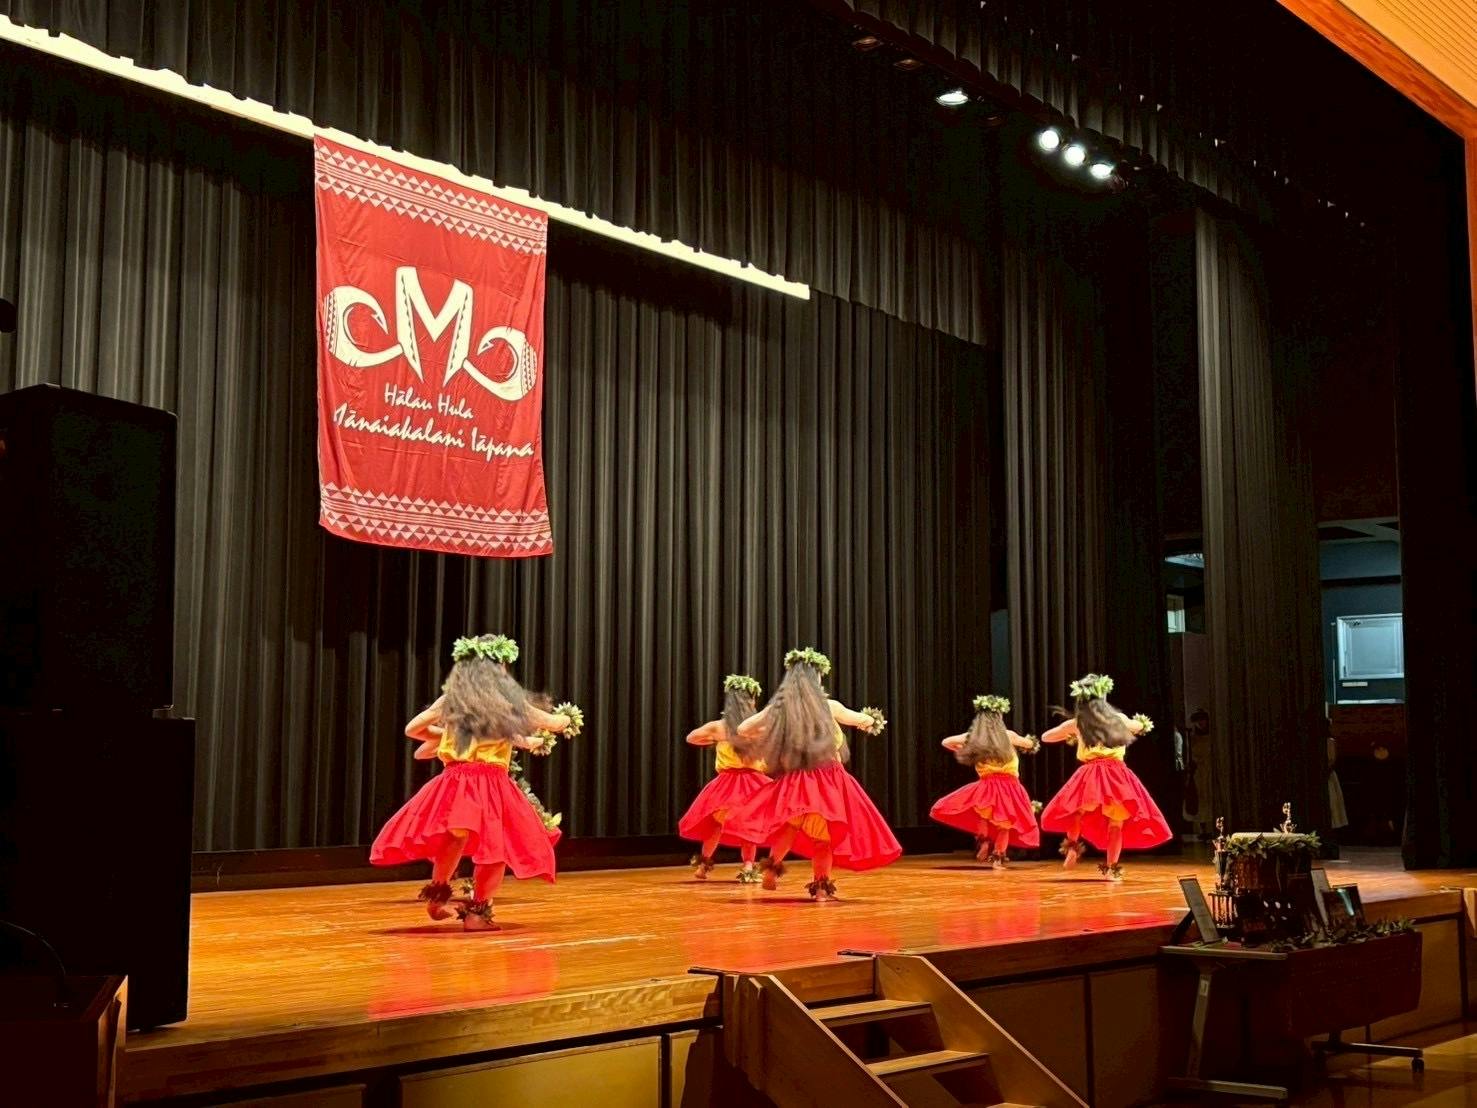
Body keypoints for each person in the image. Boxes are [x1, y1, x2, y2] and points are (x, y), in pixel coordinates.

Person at [369, 634, 580, 930]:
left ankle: (437, 896)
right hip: (490, 783)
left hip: (454, 781)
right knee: (496, 848)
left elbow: (412, 729)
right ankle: (477, 914)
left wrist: (447, 735)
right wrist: (567, 719)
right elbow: (552, 723)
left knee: (454, 839)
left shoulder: (452, 700)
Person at [723, 648, 901, 900]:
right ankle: (820, 888)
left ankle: (772, 868)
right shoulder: (829, 706)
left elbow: (743, 728)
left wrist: (771, 730)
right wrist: (871, 721)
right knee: (822, 839)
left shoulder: (780, 709)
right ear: (816, 679)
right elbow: (861, 719)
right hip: (828, 780)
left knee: (790, 826)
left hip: (797, 780)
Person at [1039, 673, 1172, 881]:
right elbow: (1141, 726)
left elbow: (1046, 737)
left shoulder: (1079, 722)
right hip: (1116, 775)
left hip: (1090, 774)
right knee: (1115, 824)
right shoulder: (1118, 719)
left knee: (1076, 812)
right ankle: (1111, 869)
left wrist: (1072, 732)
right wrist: (1136, 724)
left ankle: (1072, 847)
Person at [678, 674, 772, 882]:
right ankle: (748, 867)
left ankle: (703, 866)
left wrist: (712, 739)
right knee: (749, 824)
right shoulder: (758, 728)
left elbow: (691, 738)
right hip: (753, 783)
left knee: (716, 825)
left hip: (726, 784)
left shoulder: (719, 727)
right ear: (750, 701)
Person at [929, 695, 1040, 868]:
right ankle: (998, 857)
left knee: (984, 815)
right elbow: (1029, 744)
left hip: (986, 787)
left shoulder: (975, 738)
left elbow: (946, 742)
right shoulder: (1008, 736)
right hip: (1010, 788)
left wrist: (963, 748)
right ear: (999, 718)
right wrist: (1026, 742)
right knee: (1004, 826)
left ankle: (984, 841)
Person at [1183, 708, 1214, 836]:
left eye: (1202, 720)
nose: (1200, 723)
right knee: (1200, 799)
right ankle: (1202, 828)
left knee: (1210, 797)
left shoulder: (1212, 737)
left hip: (1209, 770)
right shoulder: (1192, 738)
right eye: (1198, 721)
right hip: (1198, 773)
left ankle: (1213, 827)